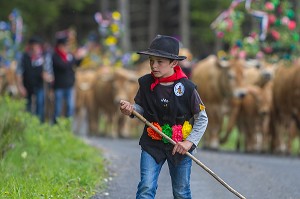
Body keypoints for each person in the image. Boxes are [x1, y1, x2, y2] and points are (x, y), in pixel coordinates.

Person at [119, 35, 208, 199]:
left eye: (160, 62)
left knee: (181, 192)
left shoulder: (187, 88)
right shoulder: (146, 83)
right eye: (151, 61)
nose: (154, 66)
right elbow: (141, 108)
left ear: (174, 63)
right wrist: (131, 109)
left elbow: (202, 118)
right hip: (152, 144)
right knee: (146, 187)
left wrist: (189, 143)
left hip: (179, 146)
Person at [16, 36, 51, 122]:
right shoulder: (24, 57)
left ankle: (39, 123)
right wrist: (20, 87)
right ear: (30, 46)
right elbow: (18, 73)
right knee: (27, 106)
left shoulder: (44, 57)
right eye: (34, 46)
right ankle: (28, 123)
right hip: (27, 85)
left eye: (38, 46)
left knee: (40, 104)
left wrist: (46, 76)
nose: (36, 48)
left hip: (39, 86)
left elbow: (50, 75)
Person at [52, 32, 81, 123]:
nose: (66, 48)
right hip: (59, 86)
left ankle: (68, 125)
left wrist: (80, 57)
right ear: (60, 46)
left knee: (70, 106)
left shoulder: (69, 56)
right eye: (65, 46)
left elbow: (76, 63)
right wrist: (72, 60)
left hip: (69, 85)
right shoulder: (55, 56)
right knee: (58, 108)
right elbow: (63, 66)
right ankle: (56, 125)